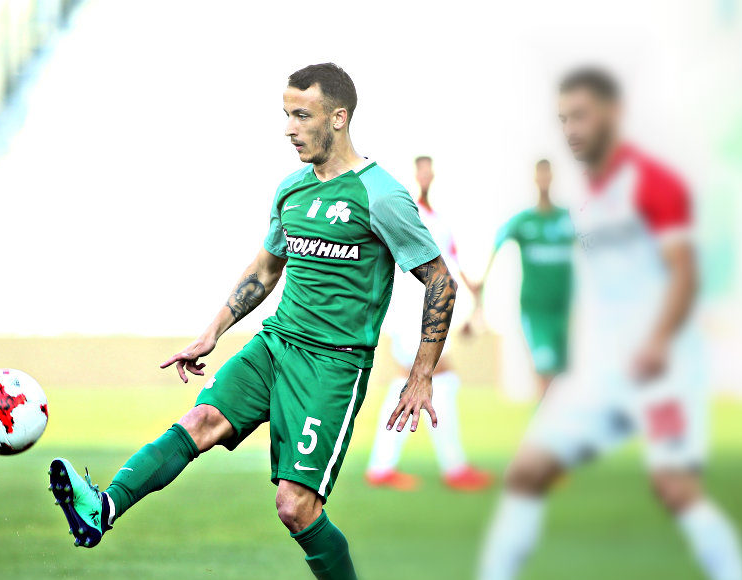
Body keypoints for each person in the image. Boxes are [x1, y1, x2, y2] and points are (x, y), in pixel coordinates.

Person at [47, 63, 458, 580]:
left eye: (301, 115)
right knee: (200, 421)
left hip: (333, 365)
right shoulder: (291, 191)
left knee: (295, 507)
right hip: (275, 345)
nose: (289, 128)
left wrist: (421, 374)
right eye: (286, 115)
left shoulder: (381, 196)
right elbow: (264, 271)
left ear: (338, 118)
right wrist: (211, 333)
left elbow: (441, 281)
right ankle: (103, 509)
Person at [478, 68, 742, 580]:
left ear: (614, 113)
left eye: (580, 115)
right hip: (602, 374)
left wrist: (657, 343)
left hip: (662, 373)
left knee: (676, 488)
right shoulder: (587, 199)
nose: (571, 129)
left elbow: (685, 274)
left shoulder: (653, 183)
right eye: (563, 118)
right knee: (526, 473)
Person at [365, 156, 492, 492]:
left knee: (417, 379)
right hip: (410, 311)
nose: (425, 176)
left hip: (431, 309)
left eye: (428, 171)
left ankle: (384, 466)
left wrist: (475, 296)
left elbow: (450, 262)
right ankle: (451, 468)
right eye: (419, 171)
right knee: (438, 376)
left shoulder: (439, 220)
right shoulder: (402, 212)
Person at [474, 159, 574, 396]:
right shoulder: (524, 221)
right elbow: (498, 241)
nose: (544, 179)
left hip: (563, 309)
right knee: (544, 372)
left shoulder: (567, 218)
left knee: (562, 379)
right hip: (535, 309)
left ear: (552, 177)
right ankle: (546, 416)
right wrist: (482, 281)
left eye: (547, 174)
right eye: (540, 174)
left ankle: (553, 416)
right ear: (535, 178)